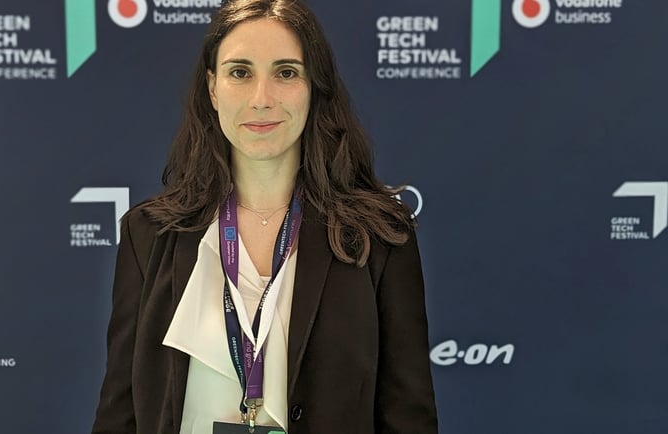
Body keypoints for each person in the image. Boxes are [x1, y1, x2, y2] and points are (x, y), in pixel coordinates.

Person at [91, 0, 438, 433]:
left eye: (286, 72)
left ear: (315, 87)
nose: (262, 98)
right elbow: (118, 415)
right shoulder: (148, 234)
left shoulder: (379, 239)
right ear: (213, 89)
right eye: (241, 72)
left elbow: (408, 419)